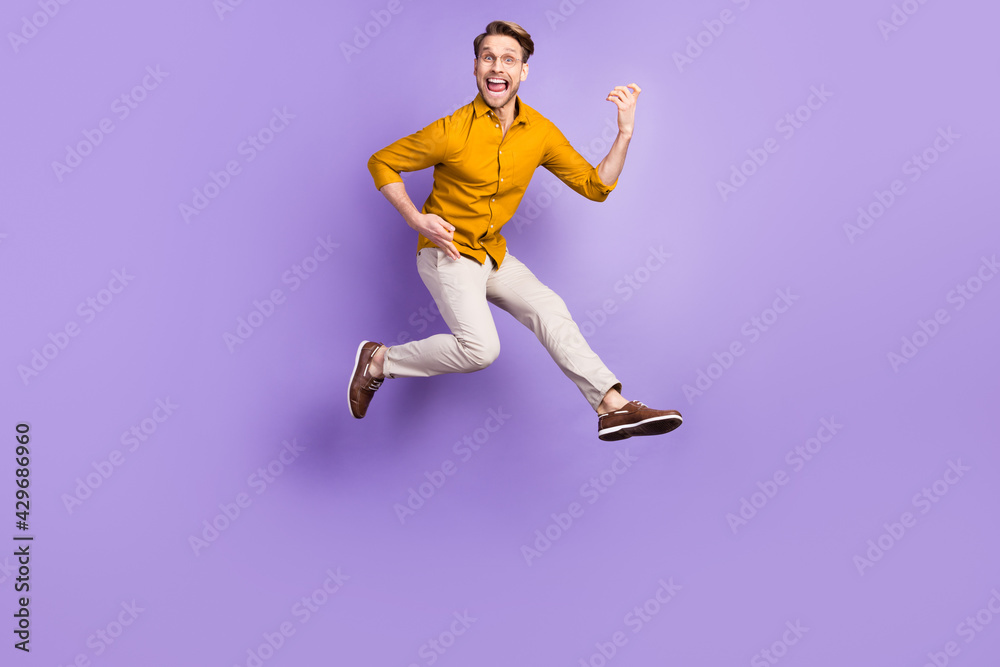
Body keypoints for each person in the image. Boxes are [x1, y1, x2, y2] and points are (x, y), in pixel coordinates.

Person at [349, 20, 682, 441]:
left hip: (493, 254)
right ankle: (379, 361)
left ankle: (611, 407)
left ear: (523, 71)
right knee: (481, 349)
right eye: (488, 57)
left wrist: (624, 132)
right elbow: (382, 161)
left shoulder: (539, 132)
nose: (497, 66)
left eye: (509, 59)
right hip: (446, 252)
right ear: (475, 67)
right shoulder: (451, 131)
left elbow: (595, 187)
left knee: (550, 310)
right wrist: (416, 218)